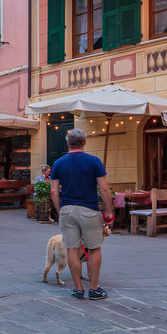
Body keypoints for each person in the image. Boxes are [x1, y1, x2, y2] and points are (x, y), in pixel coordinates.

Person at [49, 128, 115, 299]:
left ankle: (78, 289)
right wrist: (108, 210)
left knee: (72, 248)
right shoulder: (94, 161)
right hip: (89, 209)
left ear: (68, 143)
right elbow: (104, 188)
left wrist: (59, 210)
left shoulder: (58, 163)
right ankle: (94, 288)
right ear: (84, 142)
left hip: (67, 209)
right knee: (94, 248)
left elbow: (54, 192)